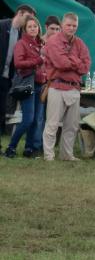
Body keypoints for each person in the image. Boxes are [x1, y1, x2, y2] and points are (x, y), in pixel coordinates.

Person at [42, 12, 91, 161]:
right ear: (62, 25)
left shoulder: (80, 43)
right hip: (57, 86)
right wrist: (77, 61)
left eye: (74, 25)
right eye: (68, 25)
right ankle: (48, 155)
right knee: (52, 124)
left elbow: (86, 66)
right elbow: (60, 64)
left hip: (74, 87)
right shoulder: (54, 41)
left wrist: (72, 61)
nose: (71, 28)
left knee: (72, 126)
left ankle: (67, 155)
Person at [4, 15, 46, 158]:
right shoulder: (21, 43)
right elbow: (18, 64)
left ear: (38, 28)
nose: (33, 28)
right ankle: (11, 147)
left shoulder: (41, 44)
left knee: (35, 120)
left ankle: (28, 149)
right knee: (28, 119)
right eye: (30, 26)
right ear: (25, 29)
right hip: (27, 84)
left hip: (41, 83)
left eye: (35, 26)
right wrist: (38, 60)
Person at [0, 4, 36, 154]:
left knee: (1, 111)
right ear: (19, 13)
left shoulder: (22, 35)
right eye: (28, 17)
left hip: (7, 78)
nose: (30, 21)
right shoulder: (2, 26)